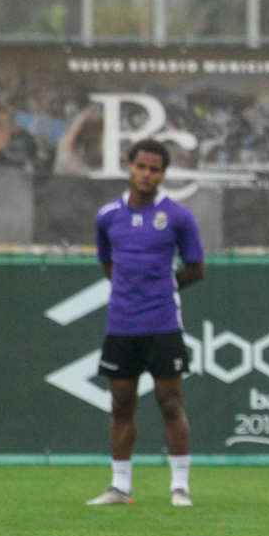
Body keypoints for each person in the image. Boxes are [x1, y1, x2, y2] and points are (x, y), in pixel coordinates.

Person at [88, 140, 206, 507]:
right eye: (141, 166)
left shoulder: (179, 216)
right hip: (121, 325)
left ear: (163, 175)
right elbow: (109, 265)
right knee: (121, 405)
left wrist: (162, 287)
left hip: (162, 324)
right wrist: (131, 290)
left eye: (155, 169)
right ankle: (120, 487)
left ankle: (180, 487)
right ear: (129, 167)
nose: (147, 174)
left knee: (170, 403)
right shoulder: (107, 216)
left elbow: (196, 268)